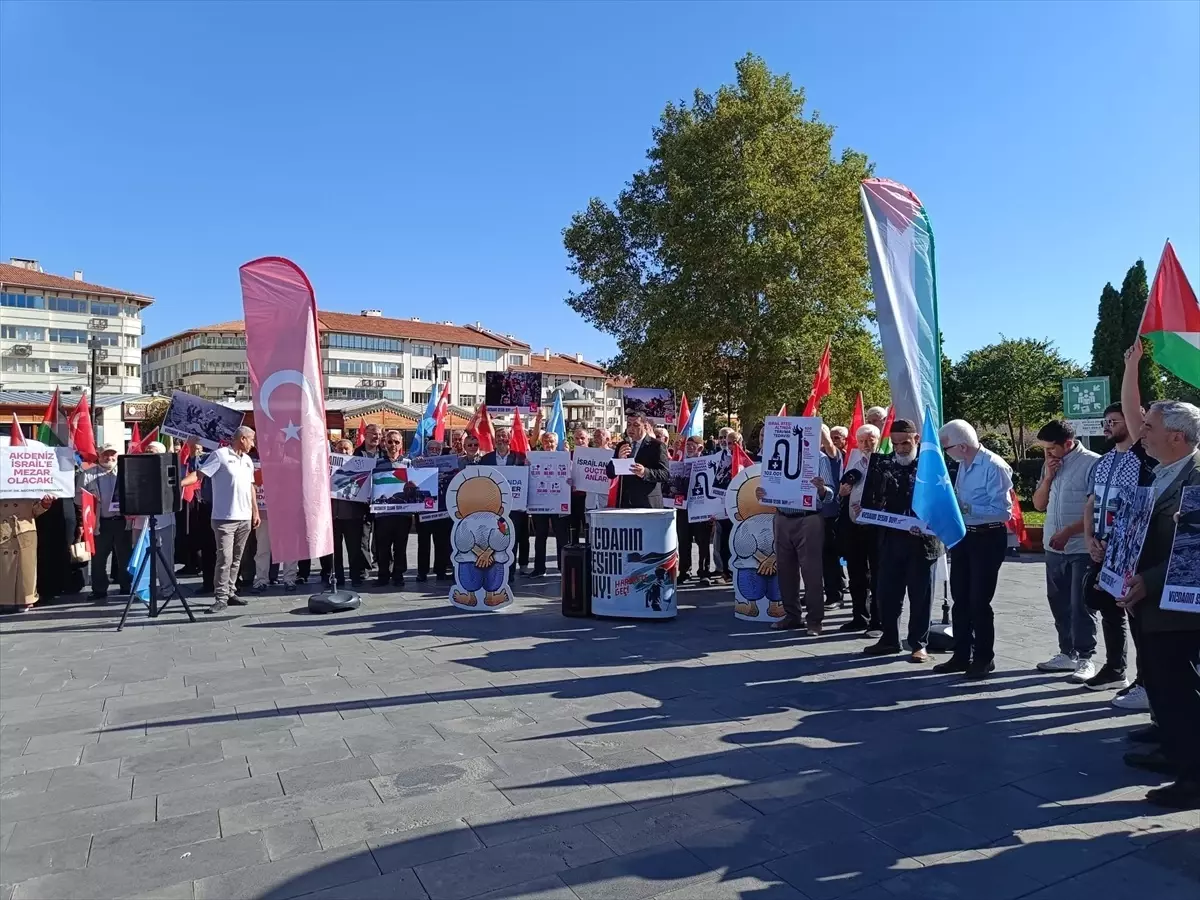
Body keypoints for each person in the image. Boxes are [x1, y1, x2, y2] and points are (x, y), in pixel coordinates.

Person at [1118, 398, 1200, 810]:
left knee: (1180, 691)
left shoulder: (1198, 477)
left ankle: (1193, 778)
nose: (1141, 432)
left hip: (1180, 610)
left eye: (1148, 427)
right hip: (1149, 603)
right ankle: (1173, 752)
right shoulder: (1160, 472)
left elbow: (1195, 548)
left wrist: (1146, 581)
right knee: (1162, 688)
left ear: (1176, 436)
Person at [1081, 399, 1155, 696]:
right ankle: (1115, 668)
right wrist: (1089, 540)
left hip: (1132, 551)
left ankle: (1146, 679)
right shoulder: (1102, 461)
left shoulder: (1145, 462)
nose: (1108, 426)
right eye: (1107, 422)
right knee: (1109, 612)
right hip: (1103, 549)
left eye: (1115, 421)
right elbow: (1091, 503)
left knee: (1137, 615)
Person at [860, 420, 943, 661]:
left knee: (921, 595)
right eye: (895, 444)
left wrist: (928, 525)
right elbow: (874, 500)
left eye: (905, 443)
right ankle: (889, 639)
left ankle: (918, 644)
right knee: (887, 593)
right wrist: (866, 509)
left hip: (923, 543)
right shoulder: (882, 465)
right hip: (890, 540)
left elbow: (943, 502)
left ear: (916, 439)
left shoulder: (932, 467)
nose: (900, 448)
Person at [938, 419, 1013, 679]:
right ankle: (961, 654)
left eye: (946, 448)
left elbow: (1003, 512)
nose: (946, 453)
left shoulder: (994, 466)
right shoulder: (962, 464)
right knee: (960, 598)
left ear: (961, 446)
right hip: (964, 536)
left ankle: (983, 658)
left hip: (988, 536)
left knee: (979, 600)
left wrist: (966, 509)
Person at [1033, 419, 1101, 681]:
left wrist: (1068, 531)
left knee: (1080, 604)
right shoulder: (1050, 464)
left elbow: (1095, 508)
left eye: (1051, 448)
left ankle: (1086, 657)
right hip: (1053, 547)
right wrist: (1048, 476)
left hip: (1080, 547)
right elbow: (1038, 505)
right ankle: (1066, 652)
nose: (1047, 453)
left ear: (1068, 443)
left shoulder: (1093, 463)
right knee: (1058, 602)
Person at [180, 426, 258, 615]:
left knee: (238, 558)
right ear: (242, 439)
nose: (253, 444)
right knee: (225, 558)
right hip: (224, 518)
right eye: (251, 440)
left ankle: (231, 591)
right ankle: (221, 597)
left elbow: (250, 487)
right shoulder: (220, 455)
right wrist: (178, 484)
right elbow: (200, 474)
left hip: (245, 517)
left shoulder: (247, 460)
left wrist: (255, 512)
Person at [762, 438, 836, 633]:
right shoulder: (775, 457)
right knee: (785, 570)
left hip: (808, 518)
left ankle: (814, 620)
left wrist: (821, 489)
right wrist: (763, 492)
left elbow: (830, 495)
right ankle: (792, 616)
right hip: (782, 517)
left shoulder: (819, 459)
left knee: (811, 572)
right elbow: (768, 486)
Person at [838, 424, 881, 632]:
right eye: (862, 440)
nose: (865, 444)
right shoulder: (854, 460)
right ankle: (859, 617)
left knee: (877, 576)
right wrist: (843, 491)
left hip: (876, 528)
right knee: (856, 574)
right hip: (854, 526)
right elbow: (843, 487)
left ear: (878, 439)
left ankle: (877, 620)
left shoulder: (885, 461)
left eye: (870, 439)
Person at [81, 444, 131, 602]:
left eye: (112, 454)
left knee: (125, 556)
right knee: (99, 558)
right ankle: (99, 590)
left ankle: (126, 586)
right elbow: (78, 498)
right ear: (99, 455)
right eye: (105, 454)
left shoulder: (125, 472)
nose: (109, 457)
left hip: (122, 521)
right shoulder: (88, 474)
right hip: (100, 523)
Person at [481, 426, 529, 579]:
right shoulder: (486, 459)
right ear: (495, 440)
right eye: (498, 436)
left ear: (510, 439)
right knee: (493, 538)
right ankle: (494, 569)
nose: (501, 439)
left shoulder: (521, 458)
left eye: (504, 436)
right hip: (492, 506)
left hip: (514, 507)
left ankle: (509, 571)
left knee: (512, 539)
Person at [1, 495, 55, 612]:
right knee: (4, 567)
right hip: (3, 529)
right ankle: (4, 599)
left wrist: (45, 503)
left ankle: (25, 598)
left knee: (26, 568)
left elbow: (36, 510)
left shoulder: (27, 481)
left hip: (24, 530)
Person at [372, 430, 411, 587]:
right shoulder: (376, 463)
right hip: (383, 514)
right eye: (390, 442)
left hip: (403, 513)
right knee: (383, 546)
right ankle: (383, 574)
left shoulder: (410, 463)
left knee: (400, 547)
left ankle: (398, 574)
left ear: (401, 444)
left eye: (396, 442)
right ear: (384, 443)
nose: (393, 445)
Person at [606, 414, 670, 509]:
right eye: (629, 424)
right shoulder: (622, 445)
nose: (631, 428)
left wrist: (645, 472)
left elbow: (665, 474)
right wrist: (618, 459)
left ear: (645, 426)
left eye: (636, 425)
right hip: (625, 503)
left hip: (647, 503)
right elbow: (610, 473)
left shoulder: (657, 446)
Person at [531, 431, 570, 576]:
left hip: (559, 502)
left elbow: (572, 475)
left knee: (561, 536)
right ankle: (539, 568)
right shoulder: (534, 457)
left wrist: (570, 480)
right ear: (542, 443)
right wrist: (527, 465)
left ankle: (563, 568)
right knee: (540, 536)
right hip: (540, 503)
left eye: (552, 441)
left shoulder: (565, 457)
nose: (549, 444)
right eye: (546, 441)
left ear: (556, 442)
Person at [330, 438, 368, 588]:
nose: (343, 451)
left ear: (352, 451)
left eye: (347, 449)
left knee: (354, 549)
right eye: (340, 448)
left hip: (353, 516)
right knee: (335, 551)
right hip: (333, 516)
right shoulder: (329, 467)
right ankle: (337, 578)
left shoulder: (359, 467)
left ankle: (355, 576)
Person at [414, 438, 452, 582]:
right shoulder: (419, 462)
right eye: (432, 449)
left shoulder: (446, 463)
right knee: (423, 542)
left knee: (441, 542)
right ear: (427, 450)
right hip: (424, 509)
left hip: (442, 508)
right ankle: (422, 572)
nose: (434, 451)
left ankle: (440, 570)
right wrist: (415, 464)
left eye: (437, 449)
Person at [677, 435, 713, 585]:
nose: (690, 447)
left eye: (693, 445)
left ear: (700, 448)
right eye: (688, 445)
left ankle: (704, 572)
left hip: (701, 508)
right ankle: (684, 571)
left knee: (703, 542)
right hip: (684, 508)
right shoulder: (680, 464)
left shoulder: (708, 463)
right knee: (684, 541)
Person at [818, 426, 845, 608]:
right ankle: (818, 592)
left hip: (830, 513)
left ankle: (835, 595)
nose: (833, 440)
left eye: (837, 437)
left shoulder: (834, 455)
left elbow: (828, 444)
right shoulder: (812, 455)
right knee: (817, 557)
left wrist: (815, 422)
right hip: (813, 513)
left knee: (830, 557)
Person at [354, 423, 383, 575]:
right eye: (373, 433)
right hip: (362, 502)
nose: (376, 437)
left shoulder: (384, 454)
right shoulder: (355, 454)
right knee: (363, 536)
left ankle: (379, 562)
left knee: (380, 535)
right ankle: (363, 567)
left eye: (379, 434)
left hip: (381, 501)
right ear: (365, 434)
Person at [568, 427, 591, 543]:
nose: (580, 441)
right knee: (574, 524)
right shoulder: (568, 455)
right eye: (577, 438)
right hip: (574, 495)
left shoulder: (595, 455)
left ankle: (589, 550)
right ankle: (574, 550)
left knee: (588, 525)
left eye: (582, 438)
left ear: (588, 439)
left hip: (590, 496)